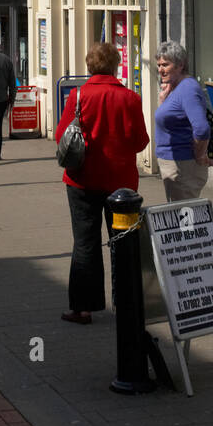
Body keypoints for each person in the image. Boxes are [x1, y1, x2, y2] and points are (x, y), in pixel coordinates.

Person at [54, 42, 149, 324]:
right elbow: (141, 141)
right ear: (116, 65)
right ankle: (126, 304)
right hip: (121, 184)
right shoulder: (130, 98)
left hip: (82, 180)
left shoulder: (78, 96)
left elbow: (61, 135)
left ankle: (84, 308)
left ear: (89, 66)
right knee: (124, 243)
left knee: (85, 243)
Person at [154, 40, 212, 201]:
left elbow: (202, 129)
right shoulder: (175, 88)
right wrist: (163, 100)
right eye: (159, 65)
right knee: (179, 212)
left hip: (183, 165)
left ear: (180, 65)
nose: (160, 70)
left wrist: (199, 154)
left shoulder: (188, 88)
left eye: (165, 65)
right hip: (175, 163)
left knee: (183, 213)